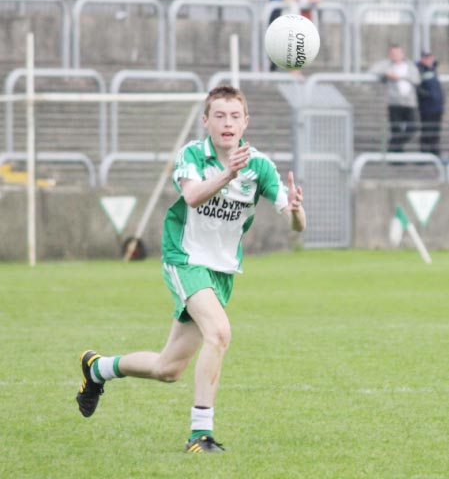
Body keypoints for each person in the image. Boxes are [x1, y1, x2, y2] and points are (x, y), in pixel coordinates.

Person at [76, 85, 306, 453]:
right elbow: (192, 196)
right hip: (184, 257)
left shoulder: (259, 165)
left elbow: (297, 227)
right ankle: (201, 435)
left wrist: (295, 209)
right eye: (219, 115)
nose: (227, 123)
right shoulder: (193, 155)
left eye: (234, 116)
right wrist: (228, 174)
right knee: (219, 333)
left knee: (169, 369)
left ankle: (98, 369)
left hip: (221, 271)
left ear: (246, 121)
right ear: (206, 121)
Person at [370, 44, 420, 152]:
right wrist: (387, 73)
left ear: (402, 54)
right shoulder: (388, 66)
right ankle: (397, 154)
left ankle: (392, 146)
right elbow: (374, 70)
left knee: (413, 127)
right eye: (392, 53)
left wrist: (399, 77)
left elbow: (416, 79)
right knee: (396, 130)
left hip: (409, 103)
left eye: (397, 53)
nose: (395, 55)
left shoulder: (410, 66)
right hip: (395, 103)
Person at [268, 0, 322, 71]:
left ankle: (295, 71)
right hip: (287, 23)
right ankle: (289, 71)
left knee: (299, 48)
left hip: (302, 23)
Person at [416, 51, 445, 156]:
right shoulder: (419, 69)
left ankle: (434, 152)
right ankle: (424, 153)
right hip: (427, 107)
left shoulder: (433, 70)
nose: (428, 60)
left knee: (435, 130)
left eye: (429, 57)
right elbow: (417, 86)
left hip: (437, 107)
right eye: (425, 58)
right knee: (427, 129)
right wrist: (427, 95)